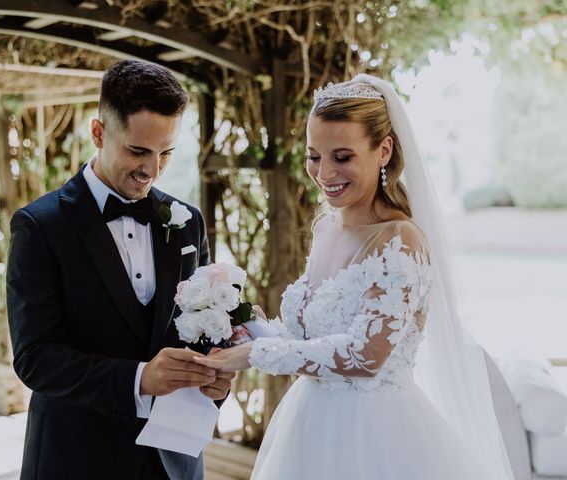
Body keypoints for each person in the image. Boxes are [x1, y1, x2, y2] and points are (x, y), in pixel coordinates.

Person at [194, 75, 514, 479]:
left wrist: (252, 355)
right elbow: (311, 343)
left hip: (376, 437)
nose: (324, 172)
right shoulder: (328, 228)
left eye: (342, 157)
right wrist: (247, 325)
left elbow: (366, 355)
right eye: (314, 156)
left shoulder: (400, 241)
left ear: (383, 150)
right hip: (309, 427)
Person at [7, 59, 233, 480]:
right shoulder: (40, 226)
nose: (152, 169)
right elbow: (35, 358)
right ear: (99, 132)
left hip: (173, 463)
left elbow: (201, 331)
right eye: (138, 151)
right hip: (77, 460)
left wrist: (213, 380)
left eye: (166, 152)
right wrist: (141, 378)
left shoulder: (187, 221)